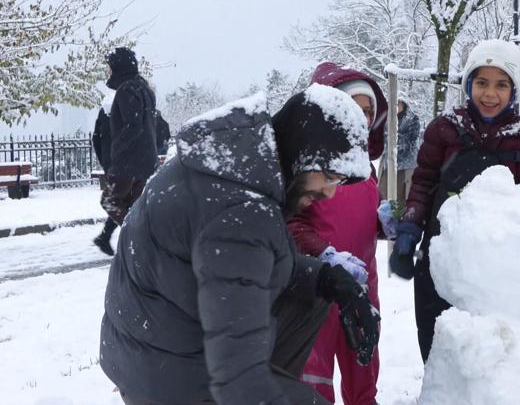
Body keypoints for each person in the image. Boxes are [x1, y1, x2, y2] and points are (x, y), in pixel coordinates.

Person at [99, 85, 381, 405]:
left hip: (151, 346)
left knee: (312, 296)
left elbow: (255, 263)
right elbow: (238, 384)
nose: (330, 192)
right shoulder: (241, 210)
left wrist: (328, 280)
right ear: (303, 152)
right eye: (329, 176)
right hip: (168, 375)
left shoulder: (243, 166)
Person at [389, 39, 520, 362]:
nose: (490, 94)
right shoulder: (444, 130)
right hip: (439, 257)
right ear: (468, 84)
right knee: (439, 347)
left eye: (501, 84)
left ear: (514, 90)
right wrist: (408, 233)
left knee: (488, 354)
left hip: (494, 267)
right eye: (482, 82)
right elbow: (423, 184)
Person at [288, 62, 390, 405]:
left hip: (362, 281)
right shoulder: (309, 164)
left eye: (367, 111)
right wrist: (325, 254)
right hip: (318, 284)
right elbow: (293, 222)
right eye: (352, 109)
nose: (361, 118)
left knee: (363, 357)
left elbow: (360, 217)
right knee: (314, 370)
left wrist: (383, 223)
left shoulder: (367, 168)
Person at [102, 47, 158, 225]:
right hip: (145, 160)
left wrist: (116, 148)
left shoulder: (127, 89)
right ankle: (139, 242)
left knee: (109, 201)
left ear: (117, 67)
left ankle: (138, 238)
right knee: (132, 206)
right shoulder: (144, 88)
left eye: (110, 66)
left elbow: (133, 125)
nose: (108, 71)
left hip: (128, 163)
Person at [378, 94, 422, 203]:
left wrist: (390, 138)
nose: (393, 106)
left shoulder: (412, 119)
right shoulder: (386, 118)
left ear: (403, 103)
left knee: (401, 199)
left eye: (397, 103)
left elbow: (411, 141)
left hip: (405, 165)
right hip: (388, 163)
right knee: (383, 195)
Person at [92, 94, 119, 256]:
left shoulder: (104, 110)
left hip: (112, 164)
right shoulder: (127, 106)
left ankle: (105, 236)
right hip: (126, 164)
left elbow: (95, 138)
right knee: (123, 201)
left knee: (120, 200)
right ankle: (106, 236)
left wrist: (106, 162)